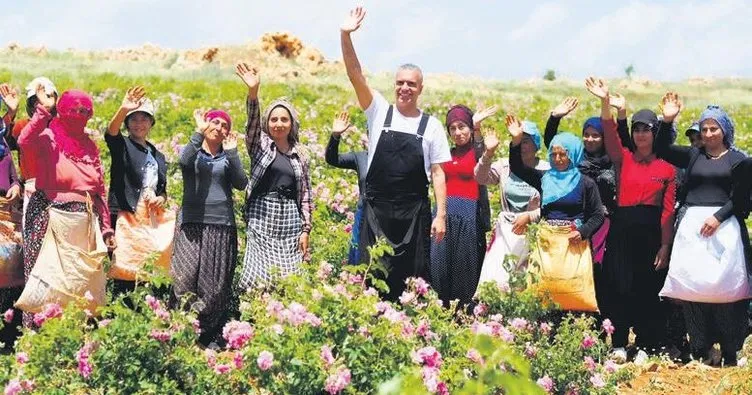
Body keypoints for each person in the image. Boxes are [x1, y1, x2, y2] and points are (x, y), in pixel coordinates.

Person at [340, 7, 451, 300]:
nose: (404, 88)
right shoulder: (378, 111)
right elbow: (355, 74)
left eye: (411, 84)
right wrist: (345, 35)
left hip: (414, 214)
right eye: (400, 82)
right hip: (376, 212)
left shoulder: (432, 126)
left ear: (420, 88)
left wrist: (441, 215)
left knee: (413, 279)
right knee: (369, 276)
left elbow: (439, 173)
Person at [585, 77, 676, 362]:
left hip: (651, 234)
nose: (640, 135)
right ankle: (620, 343)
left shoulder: (667, 168)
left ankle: (647, 345)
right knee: (620, 286)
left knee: (647, 288)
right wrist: (604, 103)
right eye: (636, 129)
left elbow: (668, 210)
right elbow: (611, 135)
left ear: (654, 132)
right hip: (622, 230)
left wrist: (664, 246)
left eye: (646, 129)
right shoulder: (623, 158)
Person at [656, 93, 751, 366]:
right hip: (693, 232)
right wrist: (668, 119)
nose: (708, 134)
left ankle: (730, 351)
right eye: (705, 128)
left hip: (724, 228)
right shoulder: (694, 156)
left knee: (726, 290)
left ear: (725, 130)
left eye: (714, 128)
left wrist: (718, 217)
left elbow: (742, 199)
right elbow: (662, 148)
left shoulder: (738, 160)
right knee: (693, 289)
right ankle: (700, 348)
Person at [18, 87, 115, 327]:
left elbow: (99, 190)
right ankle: (36, 338)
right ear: (62, 109)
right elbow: (23, 140)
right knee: (47, 279)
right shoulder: (49, 135)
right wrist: (44, 110)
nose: (79, 114)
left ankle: (72, 336)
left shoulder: (90, 146)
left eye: (84, 110)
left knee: (77, 282)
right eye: (73, 109)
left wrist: (106, 228)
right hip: (49, 215)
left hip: (83, 223)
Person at [509, 113, 604, 312]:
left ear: (574, 154)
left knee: (573, 289)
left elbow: (597, 215)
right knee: (545, 288)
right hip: (547, 244)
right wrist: (516, 140)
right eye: (554, 154)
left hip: (574, 242)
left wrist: (583, 232)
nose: (558, 159)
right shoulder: (544, 179)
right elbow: (517, 166)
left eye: (563, 154)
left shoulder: (586, 182)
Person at [171, 108, 248, 346]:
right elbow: (183, 162)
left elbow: (240, 183)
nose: (219, 128)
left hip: (221, 224)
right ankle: (180, 329)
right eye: (215, 122)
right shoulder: (194, 151)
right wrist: (197, 131)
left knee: (214, 283)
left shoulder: (227, 157)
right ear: (206, 125)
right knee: (184, 277)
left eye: (224, 125)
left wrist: (234, 153)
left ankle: (207, 334)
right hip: (191, 223)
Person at [235, 64, 313, 289]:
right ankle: (255, 320)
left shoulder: (301, 155)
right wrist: (253, 93)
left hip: (290, 219)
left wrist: (305, 230)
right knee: (257, 278)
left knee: (289, 281)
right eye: (274, 119)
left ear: (292, 124)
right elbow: (251, 124)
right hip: (261, 215)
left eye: (284, 119)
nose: (279, 124)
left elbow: (306, 195)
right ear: (267, 123)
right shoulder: (259, 145)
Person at [429, 104, 494, 306]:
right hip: (444, 213)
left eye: (462, 127)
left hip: (468, 214)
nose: (457, 133)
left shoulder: (476, 153)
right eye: (453, 128)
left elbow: (483, 151)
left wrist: (477, 128)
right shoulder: (446, 154)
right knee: (439, 263)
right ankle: (440, 309)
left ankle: (463, 313)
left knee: (464, 266)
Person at [105, 87, 168, 294]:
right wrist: (123, 108)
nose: (139, 124)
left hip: (148, 216)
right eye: (133, 119)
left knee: (146, 267)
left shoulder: (157, 155)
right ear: (127, 123)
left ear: (151, 123)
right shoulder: (122, 145)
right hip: (126, 213)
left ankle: (143, 311)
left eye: (144, 119)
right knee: (124, 266)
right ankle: (119, 314)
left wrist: (161, 198)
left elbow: (162, 189)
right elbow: (111, 133)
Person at [474, 118, 549, 290]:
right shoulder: (504, 166)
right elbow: (480, 177)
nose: (522, 146)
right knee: (497, 278)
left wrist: (531, 216)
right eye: (518, 141)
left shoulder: (546, 169)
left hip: (534, 230)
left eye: (526, 141)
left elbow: (552, 205)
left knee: (527, 280)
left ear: (536, 145)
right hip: (506, 230)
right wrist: (488, 154)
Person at [543, 97, 616, 265]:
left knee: (598, 262)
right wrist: (554, 117)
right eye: (586, 135)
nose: (590, 139)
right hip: (577, 219)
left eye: (596, 136)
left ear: (604, 138)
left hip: (603, 220)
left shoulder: (612, 160)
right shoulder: (577, 158)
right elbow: (552, 143)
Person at [6, 78, 57, 229]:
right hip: (29, 190)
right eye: (36, 101)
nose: (41, 104)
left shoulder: (61, 128)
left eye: (45, 98)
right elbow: (5, 142)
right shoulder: (23, 126)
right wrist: (11, 113)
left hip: (57, 191)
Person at [325, 112, 367, 264]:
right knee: (357, 254)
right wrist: (335, 135)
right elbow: (332, 159)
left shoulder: (394, 158)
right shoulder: (362, 157)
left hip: (386, 215)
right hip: (364, 213)